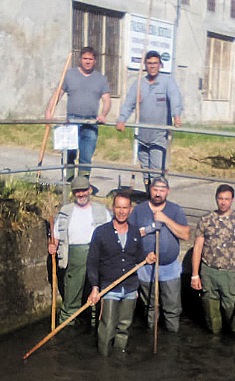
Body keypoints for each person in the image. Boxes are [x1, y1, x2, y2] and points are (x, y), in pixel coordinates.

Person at [87, 191, 156, 356]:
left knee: (124, 326)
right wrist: (95, 287)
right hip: (109, 288)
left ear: (130, 209)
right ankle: (103, 358)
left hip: (130, 288)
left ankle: (119, 357)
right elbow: (92, 263)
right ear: (113, 208)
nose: (121, 211)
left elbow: (138, 258)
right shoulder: (101, 232)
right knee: (108, 324)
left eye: (125, 208)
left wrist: (148, 257)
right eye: (118, 207)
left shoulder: (134, 233)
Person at [128, 177, 190, 332]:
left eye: (162, 190)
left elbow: (185, 234)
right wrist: (148, 229)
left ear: (167, 191)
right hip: (146, 266)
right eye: (155, 189)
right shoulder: (139, 210)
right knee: (151, 306)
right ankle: (151, 333)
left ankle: (171, 339)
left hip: (169, 268)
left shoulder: (175, 210)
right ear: (150, 190)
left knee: (172, 308)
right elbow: (130, 235)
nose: (158, 193)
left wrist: (165, 219)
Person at [116, 50, 183, 190]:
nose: (152, 66)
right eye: (149, 63)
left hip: (159, 135)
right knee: (145, 170)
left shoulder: (167, 82)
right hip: (142, 135)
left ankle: (158, 199)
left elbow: (175, 97)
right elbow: (129, 102)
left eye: (155, 63)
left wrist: (176, 115)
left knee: (156, 170)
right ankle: (148, 197)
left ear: (160, 65)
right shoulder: (139, 83)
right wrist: (122, 119)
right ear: (145, 65)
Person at [48, 176, 111, 324]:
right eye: (77, 191)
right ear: (73, 192)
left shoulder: (102, 211)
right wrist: (52, 245)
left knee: (95, 295)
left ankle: (96, 325)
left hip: (97, 257)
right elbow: (56, 236)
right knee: (71, 297)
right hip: (73, 259)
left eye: (83, 190)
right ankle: (67, 326)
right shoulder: (66, 211)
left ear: (89, 190)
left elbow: (112, 234)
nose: (81, 194)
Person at [45, 47, 111, 181]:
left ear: (95, 61)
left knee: (86, 156)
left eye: (90, 59)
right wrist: (49, 111)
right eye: (85, 58)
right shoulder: (69, 75)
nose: (87, 61)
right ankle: (68, 183)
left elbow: (107, 100)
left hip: (91, 122)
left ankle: (82, 185)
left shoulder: (100, 79)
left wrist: (103, 114)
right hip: (72, 121)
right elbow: (58, 94)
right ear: (80, 59)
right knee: (69, 154)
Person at [191, 184, 235, 336]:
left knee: (234, 311)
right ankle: (214, 339)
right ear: (216, 199)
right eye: (220, 199)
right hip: (209, 271)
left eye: (227, 199)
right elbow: (198, 247)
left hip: (230, 273)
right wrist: (195, 274)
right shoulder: (206, 220)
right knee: (210, 311)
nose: (223, 202)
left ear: (232, 200)